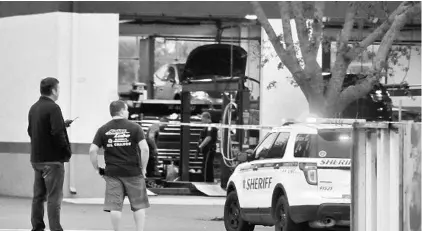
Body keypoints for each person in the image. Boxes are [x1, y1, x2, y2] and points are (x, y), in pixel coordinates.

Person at [89, 100, 150, 231]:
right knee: (138, 206)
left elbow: (92, 150)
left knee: (115, 207)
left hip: (112, 173)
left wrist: (96, 168)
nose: (128, 112)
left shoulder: (103, 129)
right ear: (122, 111)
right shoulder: (135, 127)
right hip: (133, 172)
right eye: (127, 109)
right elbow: (145, 149)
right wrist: (143, 168)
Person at [27, 77, 72, 231]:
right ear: (53, 90)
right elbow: (57, 133)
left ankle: (37, 227)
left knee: (38, 196)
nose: (59, 92)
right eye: (58, 89)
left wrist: (62, 124)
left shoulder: (34, 108)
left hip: (37, 159)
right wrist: (66, 151)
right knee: (54, 197)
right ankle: (55, 229)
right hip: (52, 161)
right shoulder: (54, 108)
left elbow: (31, 131)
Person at [197, 112, 218, 183]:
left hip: (209, 150)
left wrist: (200, 146)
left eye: (202, 118)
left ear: (206, 118)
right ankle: (208, 181)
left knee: (207, 167)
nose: (201, 120)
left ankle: (207, 182)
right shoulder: (207, 127)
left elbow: (209, 137)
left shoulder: (210, 126)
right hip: (207, 150)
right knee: (207, 166)